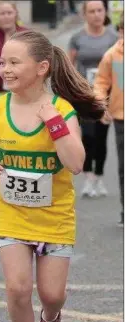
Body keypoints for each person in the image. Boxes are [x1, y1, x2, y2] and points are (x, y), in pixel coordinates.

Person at [0, 30, 105, 322]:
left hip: (54, 216)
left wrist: (54, 124)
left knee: (52, 295)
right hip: (12, 213)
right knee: (17, 288)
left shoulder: (61, 110)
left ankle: (51, 319)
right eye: (2, 62)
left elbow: (75, 163)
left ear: (42, 67)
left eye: (14, 62)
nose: (5, 69)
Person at [68, 0, 118, 198]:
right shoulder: (77, 38)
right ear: (85, 14)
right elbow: (70, 67)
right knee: (87, 137)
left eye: (100, 10)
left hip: (105, 97)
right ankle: (88, 177)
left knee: (101, 138)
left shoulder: (113, 38)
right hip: (84, 95)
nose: (96, 14)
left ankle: (99, 176)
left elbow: (119, 67)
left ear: (105, 12)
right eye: (92, 11)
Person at [94, 12, 124, 226]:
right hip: (122, 117)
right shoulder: (113, 55)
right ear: (121, 31)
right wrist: (101, 104)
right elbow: (101, 82)